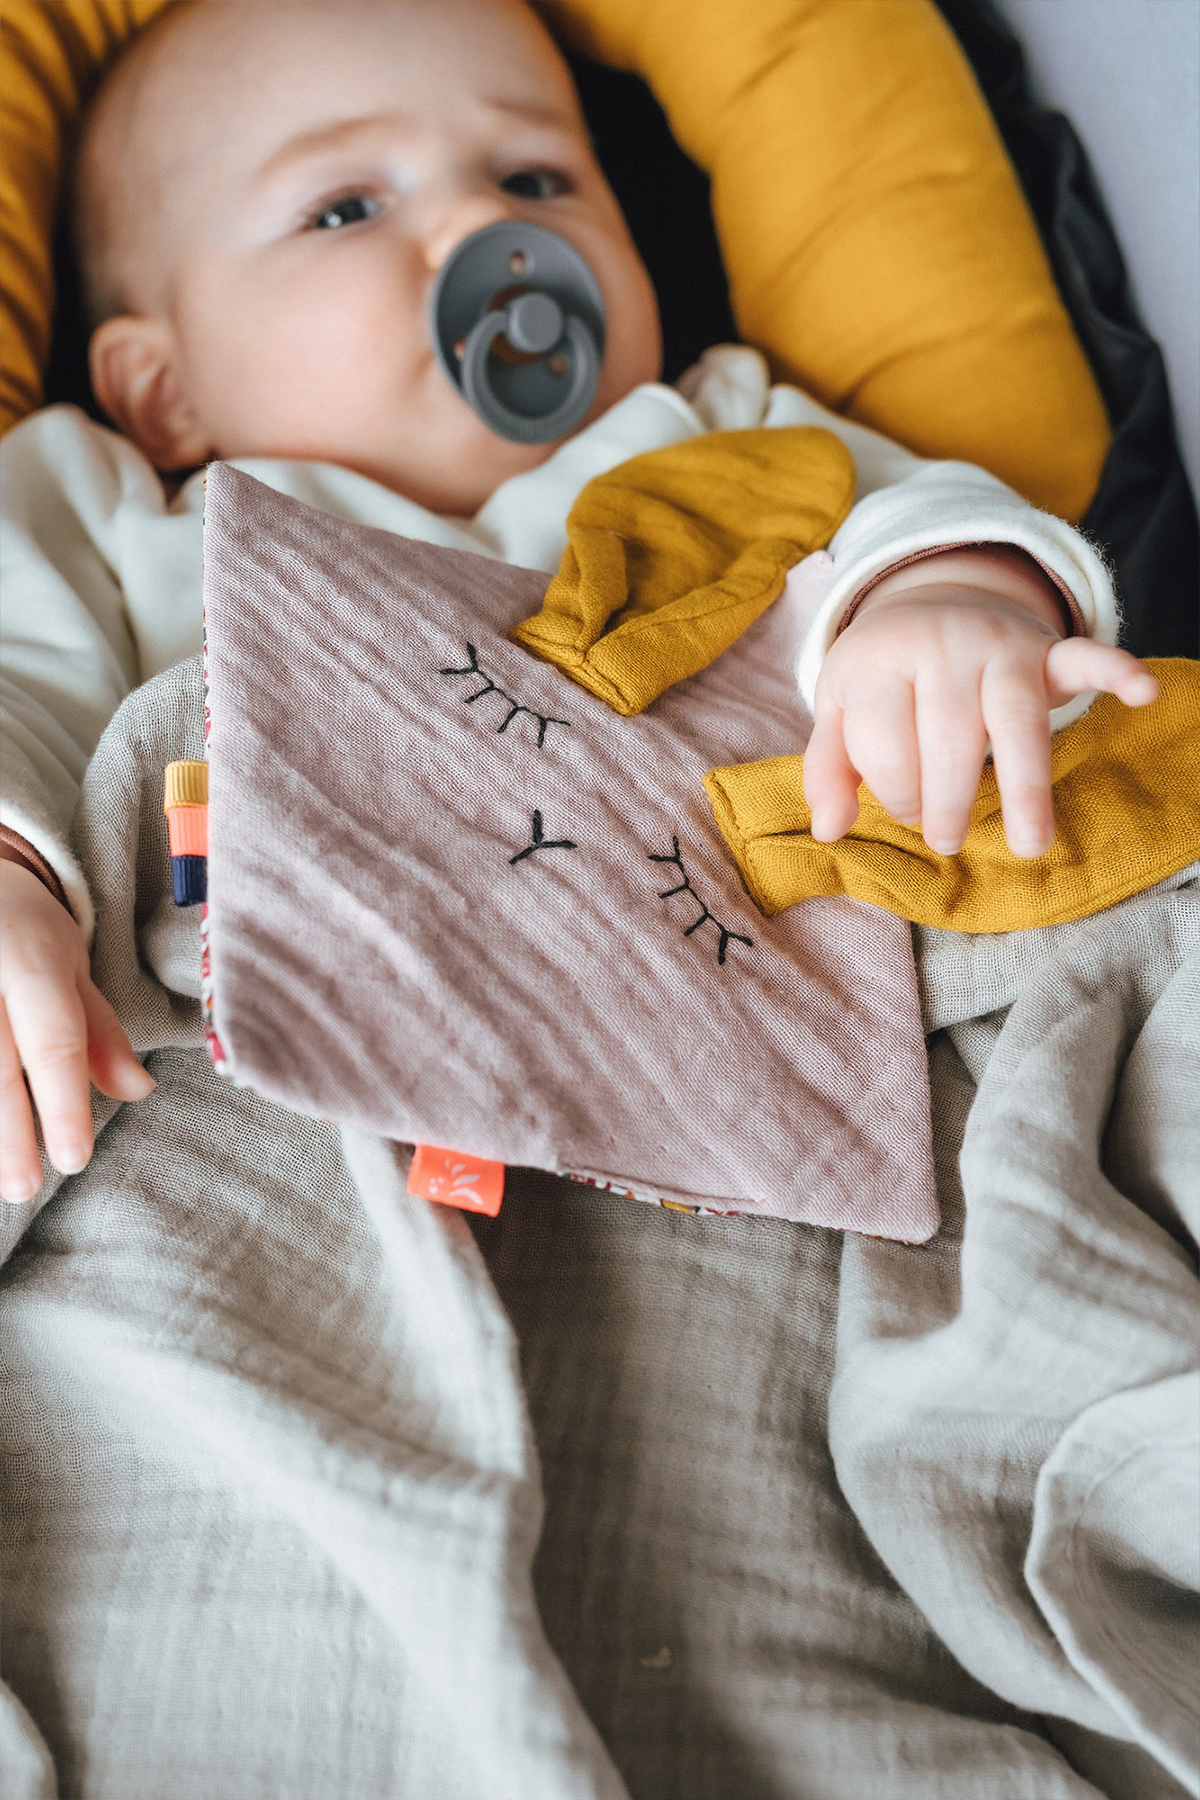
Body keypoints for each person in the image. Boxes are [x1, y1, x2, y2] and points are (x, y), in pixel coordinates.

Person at [0, 0, 1157, 1207]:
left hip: (732, 1099)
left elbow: (912, 509)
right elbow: (17, 671)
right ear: (163, 391)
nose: (489, 225)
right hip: (252, 1107)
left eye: (536, 175)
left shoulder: (717, 428)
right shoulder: (101, 508)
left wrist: (950, 595)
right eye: (346, 207)